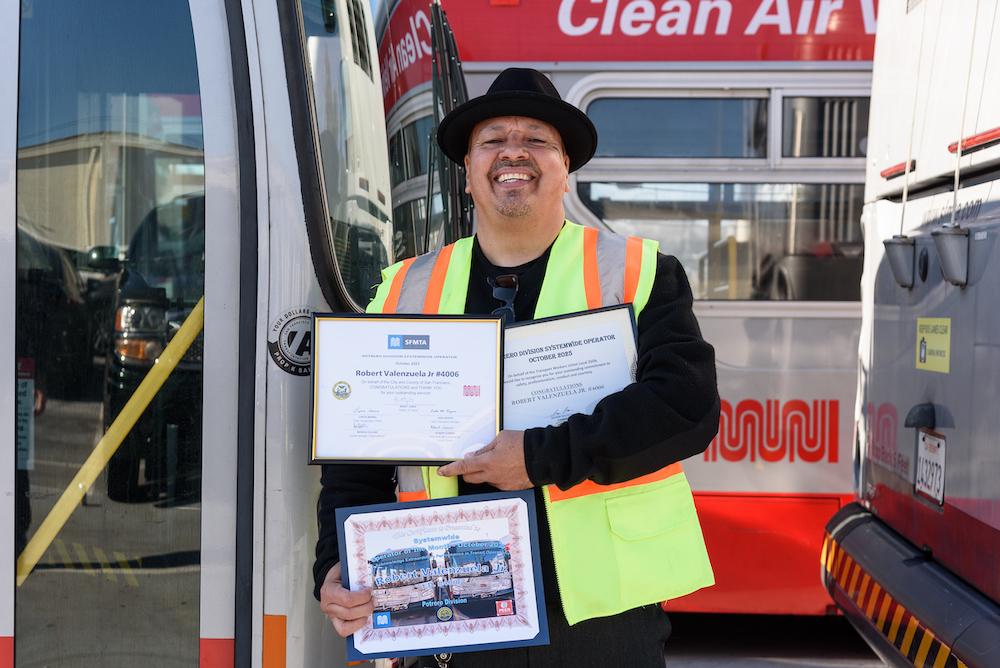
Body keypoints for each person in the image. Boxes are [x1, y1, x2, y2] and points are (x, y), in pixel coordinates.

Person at [314, 68, 720, 667]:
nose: (513, 151)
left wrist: (537, 457)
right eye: (493, 139)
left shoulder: (641, 272)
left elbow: (685, 407)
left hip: (597, 618)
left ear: (565, 166)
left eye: (536, 139)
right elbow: (358, 455)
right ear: (469, 170)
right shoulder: (404, 287)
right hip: (444, 605)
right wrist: (336, 565)